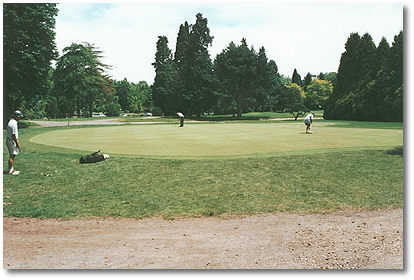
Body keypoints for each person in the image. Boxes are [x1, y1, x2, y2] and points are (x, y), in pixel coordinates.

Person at [6, 110, 23, 175]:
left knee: (12, 155)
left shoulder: (11, 121)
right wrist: (17, 144)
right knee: (12, 156)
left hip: (9, 140)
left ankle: (11, 169)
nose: (20, 118)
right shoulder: (14, 123)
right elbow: (14, 135)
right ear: (16, 116)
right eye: (19, 116)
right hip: (11, 141)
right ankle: (11, 171)